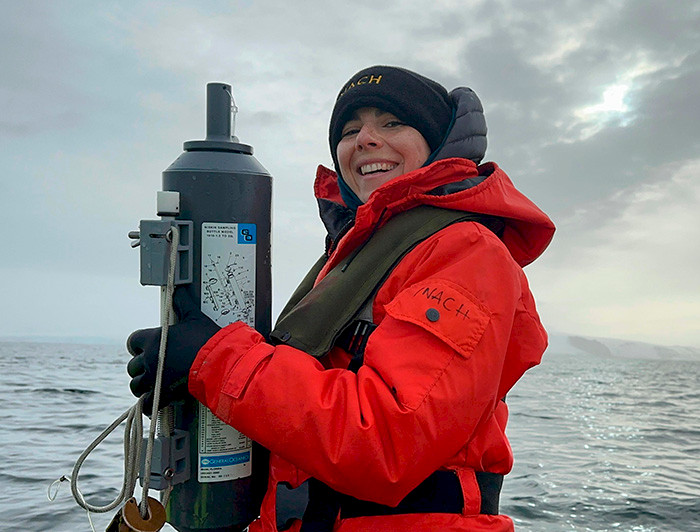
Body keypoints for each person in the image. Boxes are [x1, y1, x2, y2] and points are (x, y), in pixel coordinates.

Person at [127, 65, 555, 531]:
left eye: (392, 123)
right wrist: (191, 375)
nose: (365, 139)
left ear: (439, 142)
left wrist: (213, 360)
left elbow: (387, 441)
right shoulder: (353, 255)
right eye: (351, 130)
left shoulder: (465, 252)